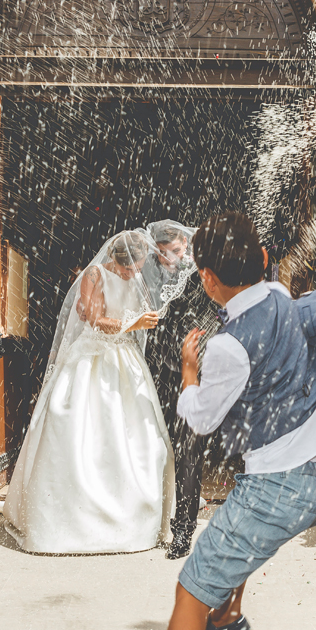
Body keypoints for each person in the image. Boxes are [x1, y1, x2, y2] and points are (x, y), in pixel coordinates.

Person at [157, 212, 316, 630]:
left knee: (191, 589)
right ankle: (227, 617)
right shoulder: (282, 294)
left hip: (277, 486)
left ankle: (205, 625)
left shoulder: (227, 346)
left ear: (205, 278)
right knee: (239, 528)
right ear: (265, 260)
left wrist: (189, 372)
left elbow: (203, 417)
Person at [3, 229, 174, 554]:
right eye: (129, 269)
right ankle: (67, 523)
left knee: (140, 439)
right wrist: (133, 324)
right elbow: (95, 319)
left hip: (125, 361)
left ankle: (133, 519)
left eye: (137, 269)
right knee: (79, 432)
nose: (133, 274)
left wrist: (143, 321)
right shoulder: (94, 274)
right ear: (116, 259)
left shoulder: (133, 277)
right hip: (92, 359)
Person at [142, 220, 215, 560]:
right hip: (157, 370)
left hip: (194, 373)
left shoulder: (205, 273)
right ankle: (147, 520)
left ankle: (183, 530)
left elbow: (218, 314)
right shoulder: (151, 275)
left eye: (171, 252)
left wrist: (199, 354)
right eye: (161, 254)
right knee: (156, 446)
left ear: (185, 244)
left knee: (188, 451)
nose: (166, 259)